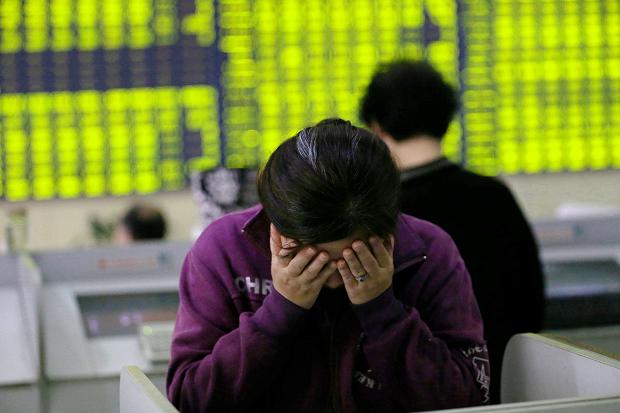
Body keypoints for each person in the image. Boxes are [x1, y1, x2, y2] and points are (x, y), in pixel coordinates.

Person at [166, 119, 490, 413]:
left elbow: (468, 399)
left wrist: (382, 311)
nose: (335, 279)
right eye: (311, 260)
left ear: (388, 230)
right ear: (274, 225)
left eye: (352, 258)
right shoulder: (224, 249)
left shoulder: (429, 252)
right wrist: (280, 311)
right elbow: (191, 400)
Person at [359, 60, 545, 403]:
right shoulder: (494, 196)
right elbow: (530, 304)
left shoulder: (377, 212)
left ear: (376, 126)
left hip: (412, 392)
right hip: (501, 388)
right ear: (446, 120)